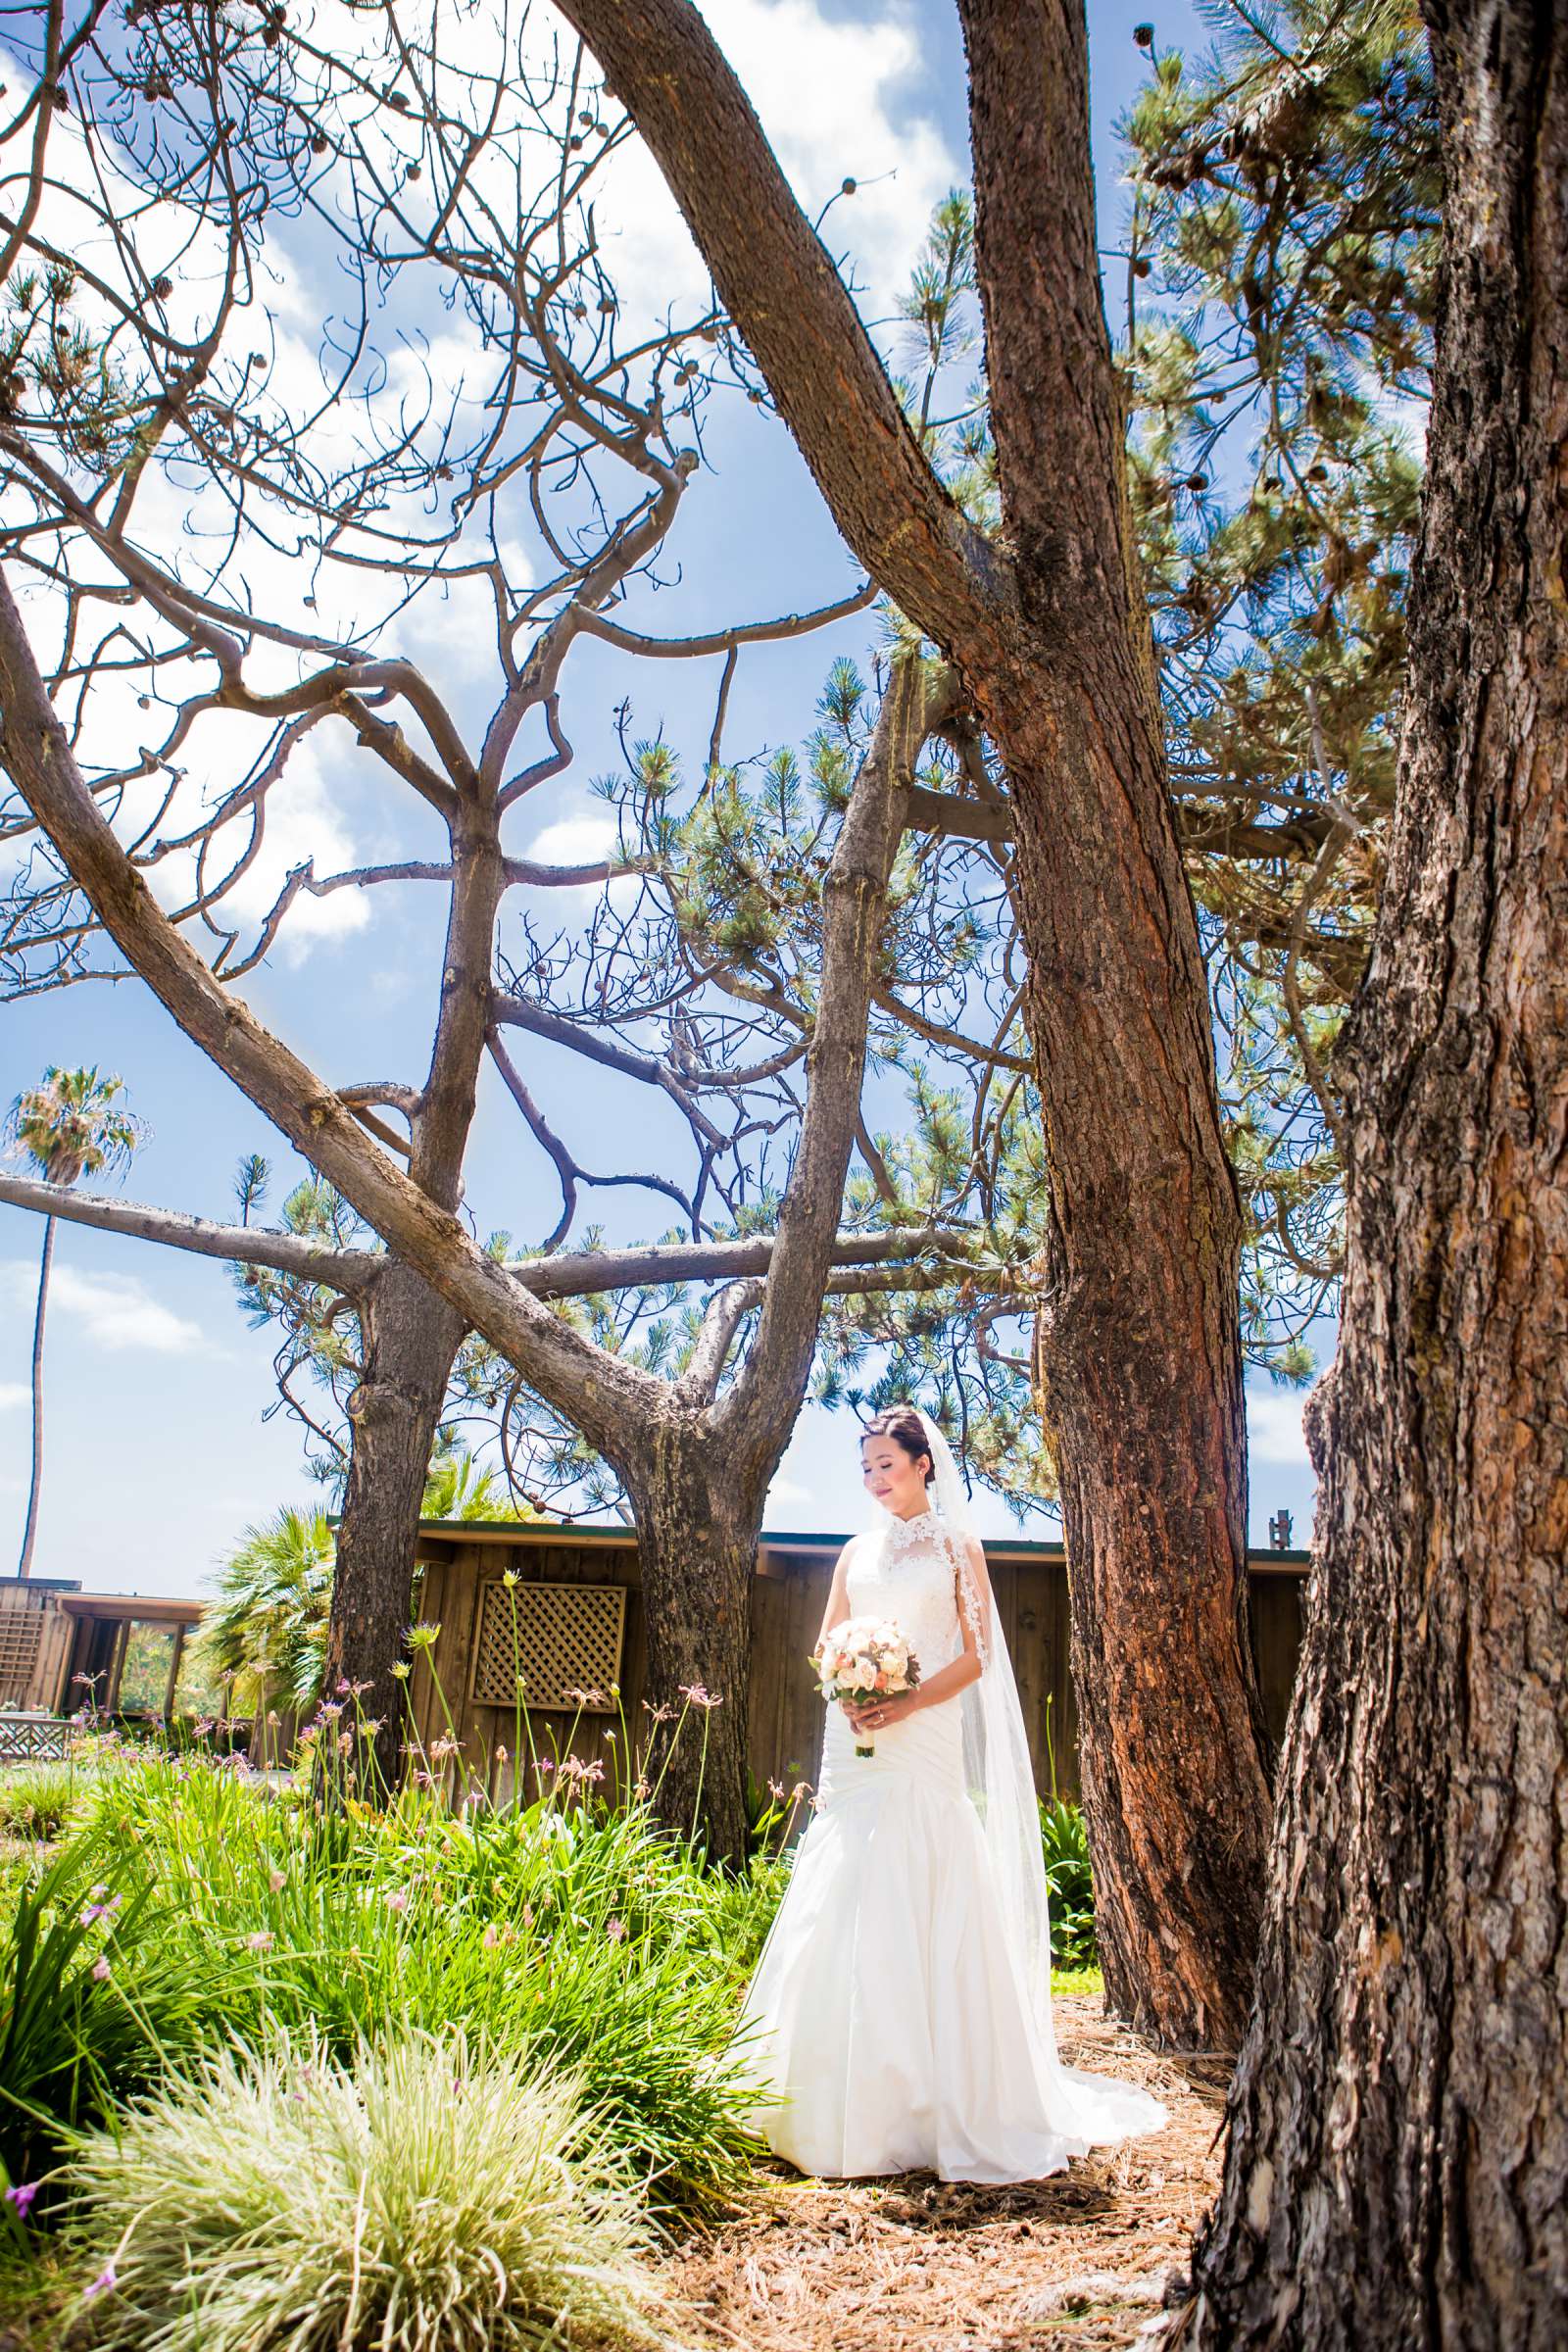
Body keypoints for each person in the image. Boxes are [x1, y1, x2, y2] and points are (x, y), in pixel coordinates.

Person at [734, 1404, 1167, 2182]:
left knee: (921, 1871)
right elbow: (825, 1642)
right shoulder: (852, 1553)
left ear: (922, 1463)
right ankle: (818, 2089)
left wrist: (906, 1698)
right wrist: (847, 1684)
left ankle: (931, 2099)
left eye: (886, 1466)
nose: (874, 1481)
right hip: (856, 1734)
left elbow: (977, 1657)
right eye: (865, 1469)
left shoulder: (957, 1546)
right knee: (845, 1875)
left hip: (922, 1730)